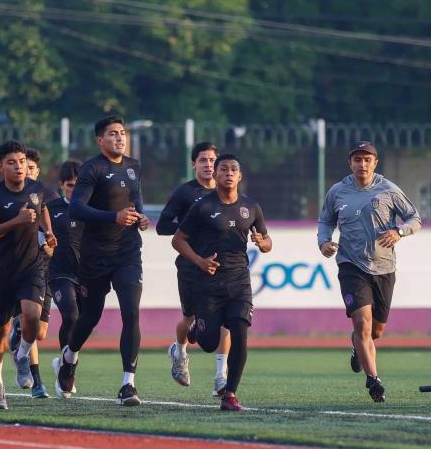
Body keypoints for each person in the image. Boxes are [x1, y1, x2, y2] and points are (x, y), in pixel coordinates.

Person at [55, 116, 149, 406]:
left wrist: (142, 218)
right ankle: (69, 357)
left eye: (122, 133)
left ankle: (128, 384)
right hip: (95, 255)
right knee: (90, 317)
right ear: (100, 140)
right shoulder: (92, 169)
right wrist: (113, 217)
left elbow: (136, 202)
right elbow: (76, 209)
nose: (120, 138)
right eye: (112, 134)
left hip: (128, 252)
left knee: (131, 312)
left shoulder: (133, 166)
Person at [318, 140, 422, 403]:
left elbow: (415, 218)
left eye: (367, 160)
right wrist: (324, 241)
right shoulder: (338, 191)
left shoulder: (389, 189)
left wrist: (399, 231)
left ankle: (357, 346)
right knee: (361, 323)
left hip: (384, 268)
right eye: (357, 159)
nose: (362, 164)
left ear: (375, 163)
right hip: (351, 266)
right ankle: (373, 380)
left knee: (375, 332)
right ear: (350, 163)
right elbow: (326, 220)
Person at [172, 154, 271, 411]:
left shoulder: (252, 207)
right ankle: (196, 330)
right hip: (209, 285)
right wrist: (199, 261)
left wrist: (263, 244)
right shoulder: (202, 207)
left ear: (239, 176)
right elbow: (178, 240)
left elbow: (267, 241)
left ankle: (230, 394)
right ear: (215, 175)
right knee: (207, 342)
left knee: (240, 333)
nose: (228, 173)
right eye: (223, 169)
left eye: (233, 169)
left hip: (239, 282)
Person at [0, 141, 56, 409]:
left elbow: (43, 207)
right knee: (0, 331)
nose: (19, 166)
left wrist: (48, 231)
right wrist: (16, 221)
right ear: (1, 166)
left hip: (31, 266)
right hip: (2, 271)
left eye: (22, 161)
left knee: (32, 318)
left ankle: (23, 354)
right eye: (12, 162)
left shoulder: (37, 189)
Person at [156, 141, 232, 395]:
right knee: (189, 319)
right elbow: (163, 226)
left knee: (226, 320)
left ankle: (221, 378)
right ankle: (179, 351)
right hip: (190, 265)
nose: (208, 165)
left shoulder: (226, 192)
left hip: (219, 267)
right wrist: (190, 227)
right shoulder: (185, 193)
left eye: (212, 161)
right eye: (203, 160)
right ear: (193, 164)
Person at [9, 146, 59, 398]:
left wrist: (51, 243)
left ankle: (18, 335)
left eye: (30, 168)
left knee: (39, 331)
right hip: (23, 268)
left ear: (37, 171)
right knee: (30, 317)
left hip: (45, 269)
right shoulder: (11, 197)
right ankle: (37, 381)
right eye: (20, 166)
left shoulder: (47, 196)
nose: (24, 172)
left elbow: (55, 232)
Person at [45, 160, 83, 385]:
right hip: (59, 274)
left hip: (87, 275)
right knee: (71, 315)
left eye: (79, 184)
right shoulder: (51, 209)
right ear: (61, 185)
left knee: (83, 322)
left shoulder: (93, 209)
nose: (75, 189)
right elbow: (40, 235)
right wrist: (44, 243)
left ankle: (64, 361)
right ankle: (68, 369)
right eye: (70, 185)